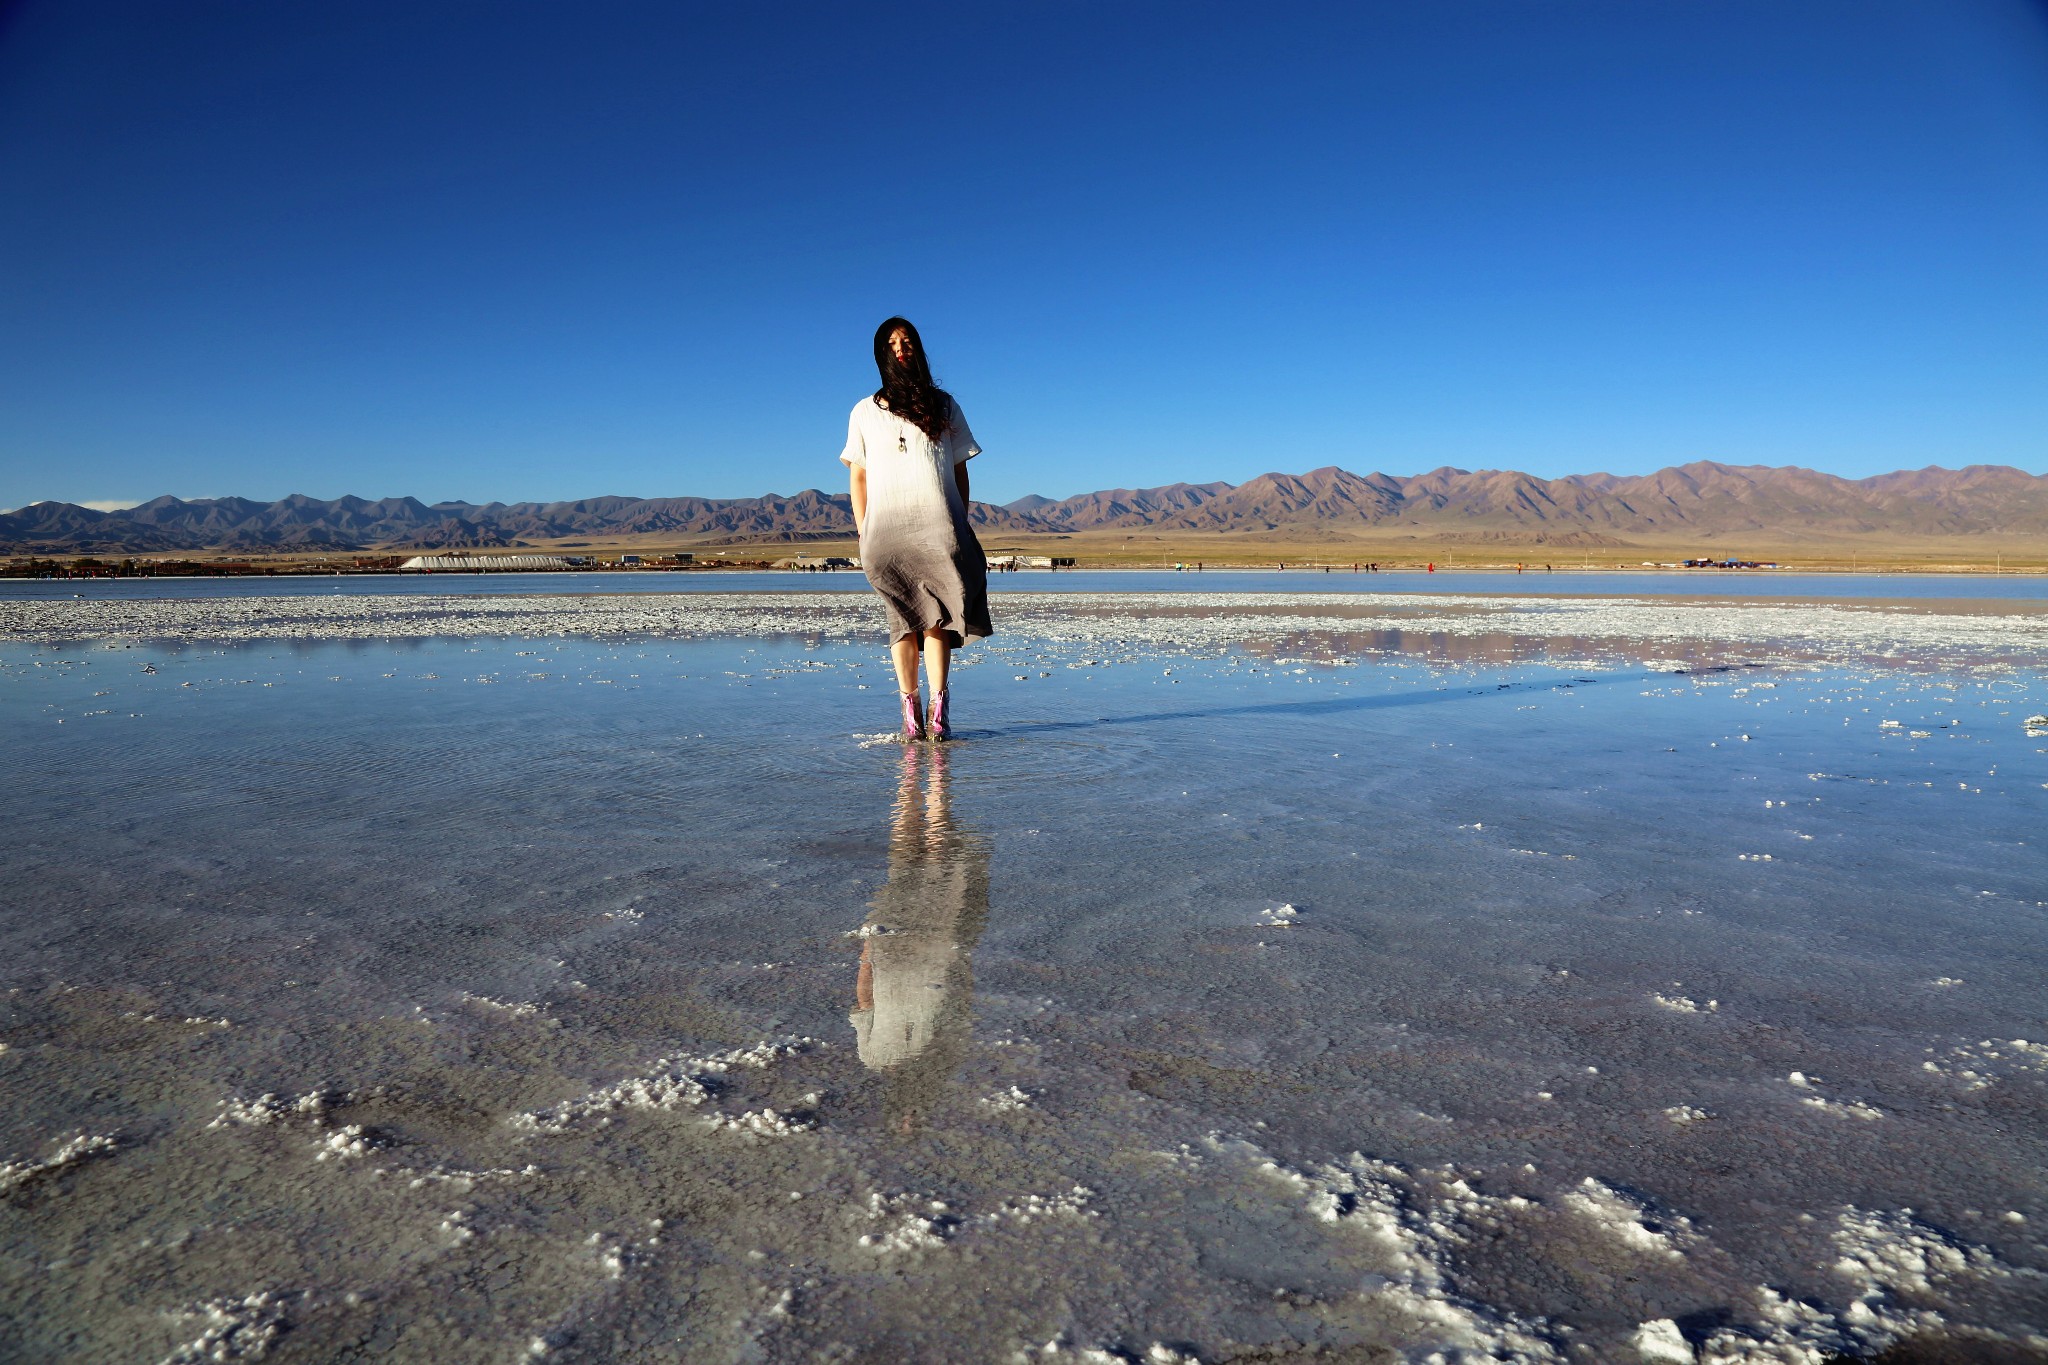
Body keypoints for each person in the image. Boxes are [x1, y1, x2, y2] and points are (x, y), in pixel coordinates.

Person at [841, 317, 992, 741]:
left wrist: (960, 518)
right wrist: (863, 528)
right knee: (902, 620)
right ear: (881, 355)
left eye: (907, 340)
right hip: (887, 531)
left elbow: (959, 471)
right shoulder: (864, 412)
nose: (900, 347)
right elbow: (858, 476)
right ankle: (911, 711)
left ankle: (938, 709)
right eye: (891, 343)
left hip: (939, 526)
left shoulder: (944, 406)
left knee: (938, 620)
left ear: (918, 348)